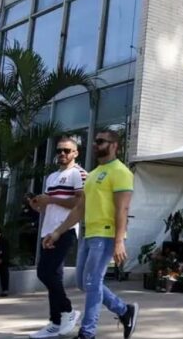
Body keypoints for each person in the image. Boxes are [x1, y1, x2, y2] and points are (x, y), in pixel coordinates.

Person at [43, 129, 139, 339]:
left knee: (93, 282)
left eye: (101, 141)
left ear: (114, 145)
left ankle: (87, 333)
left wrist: (119, 240)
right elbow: (79, 209)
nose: (96, 144)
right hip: (89, 234)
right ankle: (124, 311)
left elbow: (122, 209)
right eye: (95, 142)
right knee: (82, 282)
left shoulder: (121, 172)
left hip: (106, 235)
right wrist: (58, 232)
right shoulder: (93, 174)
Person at [28, 137, 87, 338]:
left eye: (67, 150)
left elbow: (79, 204)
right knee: (53, 276)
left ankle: (69, 311)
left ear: (76, 153)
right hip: (48, 230)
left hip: (65, 230)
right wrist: (36, 204)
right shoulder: (52, 177)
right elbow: (47, 204)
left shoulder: (78, 174)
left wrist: (51, 199)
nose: (62, 154)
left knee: (45, 273)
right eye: (60, 150)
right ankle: (55, 322)